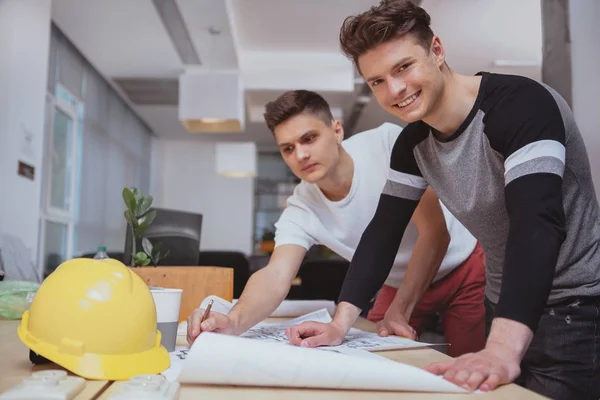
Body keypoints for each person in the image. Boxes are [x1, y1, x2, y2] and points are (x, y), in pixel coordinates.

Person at [285, 1, 600, 399]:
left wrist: (502, 349)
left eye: (403, 67)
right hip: (503, 305)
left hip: (574, 306)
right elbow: (384, 230)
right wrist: (340, 323)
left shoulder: (521, 105)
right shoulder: (413, 143)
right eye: (377, 81)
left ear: (436, 50)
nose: (394, 90)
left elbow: (536, 222)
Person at [187, 89, 487, 357]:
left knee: (468, 365)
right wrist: (234, 320)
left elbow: (436, 235)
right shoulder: (301, 207)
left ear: (337, 131)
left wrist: (401, 308)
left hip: (462, 266)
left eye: (309, 138)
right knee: (376, 362)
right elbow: (275, 275)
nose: (301, 155)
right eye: (288, 148)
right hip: (395, 283)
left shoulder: (386, 145)